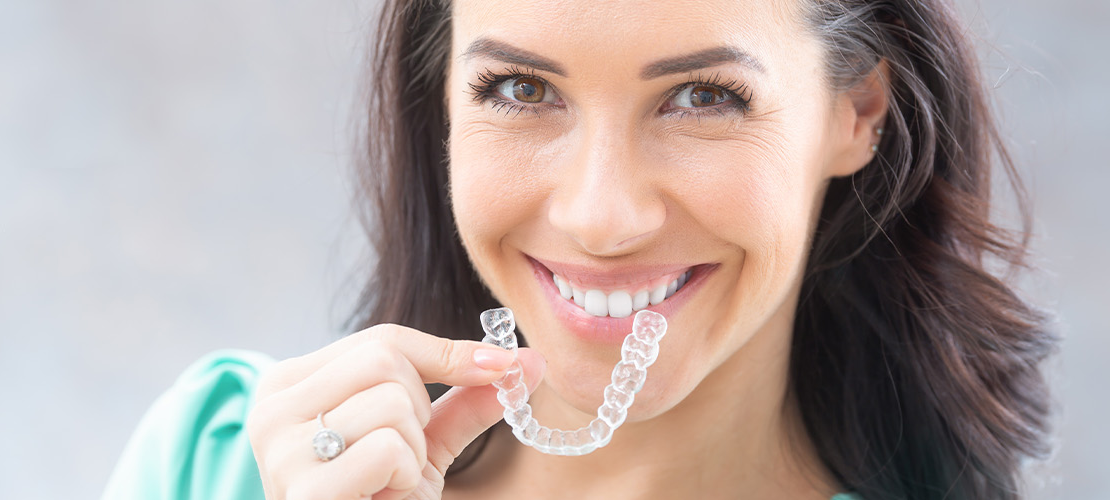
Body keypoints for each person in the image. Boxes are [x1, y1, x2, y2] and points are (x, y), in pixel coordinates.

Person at [102, 0, 1057, 498]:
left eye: (704, 97)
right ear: (442, 103)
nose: (602, 218)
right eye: (521, 89)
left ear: (856, 112)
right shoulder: (213, 464)